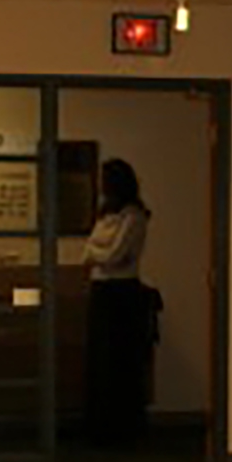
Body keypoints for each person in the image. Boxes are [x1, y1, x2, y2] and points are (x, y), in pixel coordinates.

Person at [82, 158, 158, 447]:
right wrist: (98, 252)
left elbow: (113, 255)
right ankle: (101, 427)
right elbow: (88, 248)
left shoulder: (134, 216)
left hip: (122, 293)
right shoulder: (106, 215)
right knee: (100, 361)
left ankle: (123, 429)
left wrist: (96, 252)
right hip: (101, 290)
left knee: (121, 361)